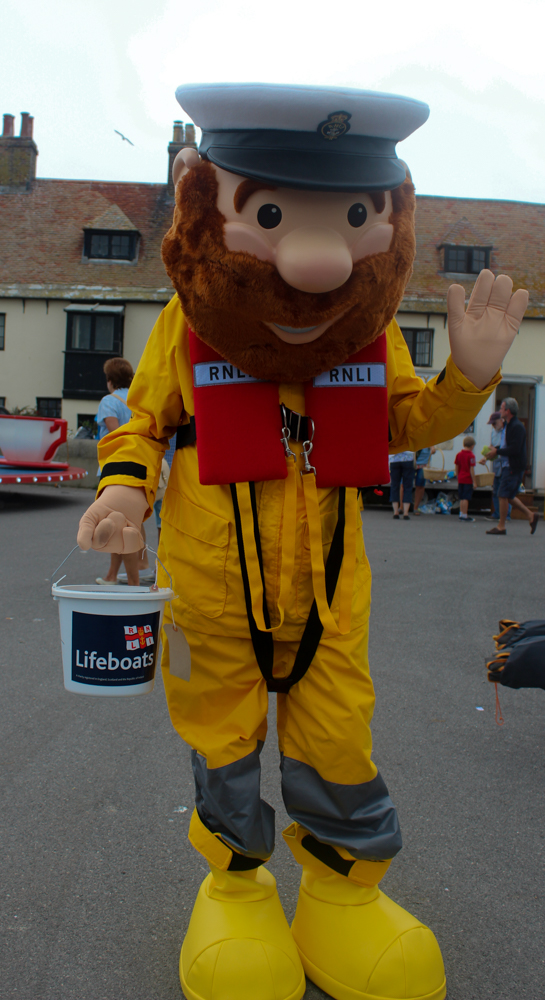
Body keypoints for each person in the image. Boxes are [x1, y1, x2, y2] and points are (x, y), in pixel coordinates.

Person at [76, 83, 529, 1000]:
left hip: (330, 600)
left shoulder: (364, 336)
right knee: (224, 742)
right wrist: (124, 490)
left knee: (338, 743)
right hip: (211, 593)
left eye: (354, 214)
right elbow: (143, 425)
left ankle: (342, 896)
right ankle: (236, 892)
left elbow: (403, 423)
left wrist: (469, 378)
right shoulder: (186, 325)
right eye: (274, 213)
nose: (317, 260)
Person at [95, 357, 150, 585]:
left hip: (115, 469)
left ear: (110, 381)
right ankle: (111, 575)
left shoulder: (109, 401)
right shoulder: (139, 399)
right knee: (127, 522)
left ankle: (133, 582)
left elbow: (114, 433)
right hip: (140, 467)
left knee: (119, 523)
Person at [486, 397, 538, 536]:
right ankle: (530, 515)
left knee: (502, 494)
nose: (500, 411)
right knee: (508, 495)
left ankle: (501, 526)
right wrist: (493, 451)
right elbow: (505, 447)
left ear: (508, 411)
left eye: (502, 408)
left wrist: (497, 451)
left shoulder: (517, 427)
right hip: (509, 465)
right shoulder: (509, 425)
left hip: (513, 467)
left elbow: (514, 449)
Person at [480, 411, 511, 521]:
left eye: (494, 423)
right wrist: (485, 457)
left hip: (505, 464)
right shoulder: (493, 432)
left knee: (504, 491)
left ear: (501, 420)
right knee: (496, 490)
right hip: (496, 464)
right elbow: (492, 447)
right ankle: (497, 513)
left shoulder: (507, 431)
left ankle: (506, 515)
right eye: (492, 424)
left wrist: (494, 450)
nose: (493, 425)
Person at [455, 435, 476, 521]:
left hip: (461, 478)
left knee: (461, 497)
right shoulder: (471, 456)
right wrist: (474, 481)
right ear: (472, 446)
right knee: (466, 498)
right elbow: (472, 469)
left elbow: (456, 466)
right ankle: (465, 515)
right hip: (468, 479)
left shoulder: (459, 454)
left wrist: (457, 476)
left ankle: (461, 514)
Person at [389, 450, 414, 519]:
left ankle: (396, 512)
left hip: (394, 459)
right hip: (408, 458)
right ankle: (406, 513)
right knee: (408, 486)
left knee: (394, 485)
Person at [413, 445, 435, 514]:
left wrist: (432, 448)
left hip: (423, 463)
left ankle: (416, 507)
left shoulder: (428, 437)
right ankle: (402, 507)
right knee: (404, 484)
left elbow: (433, 449)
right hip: (411, 462)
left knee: (420, 486)